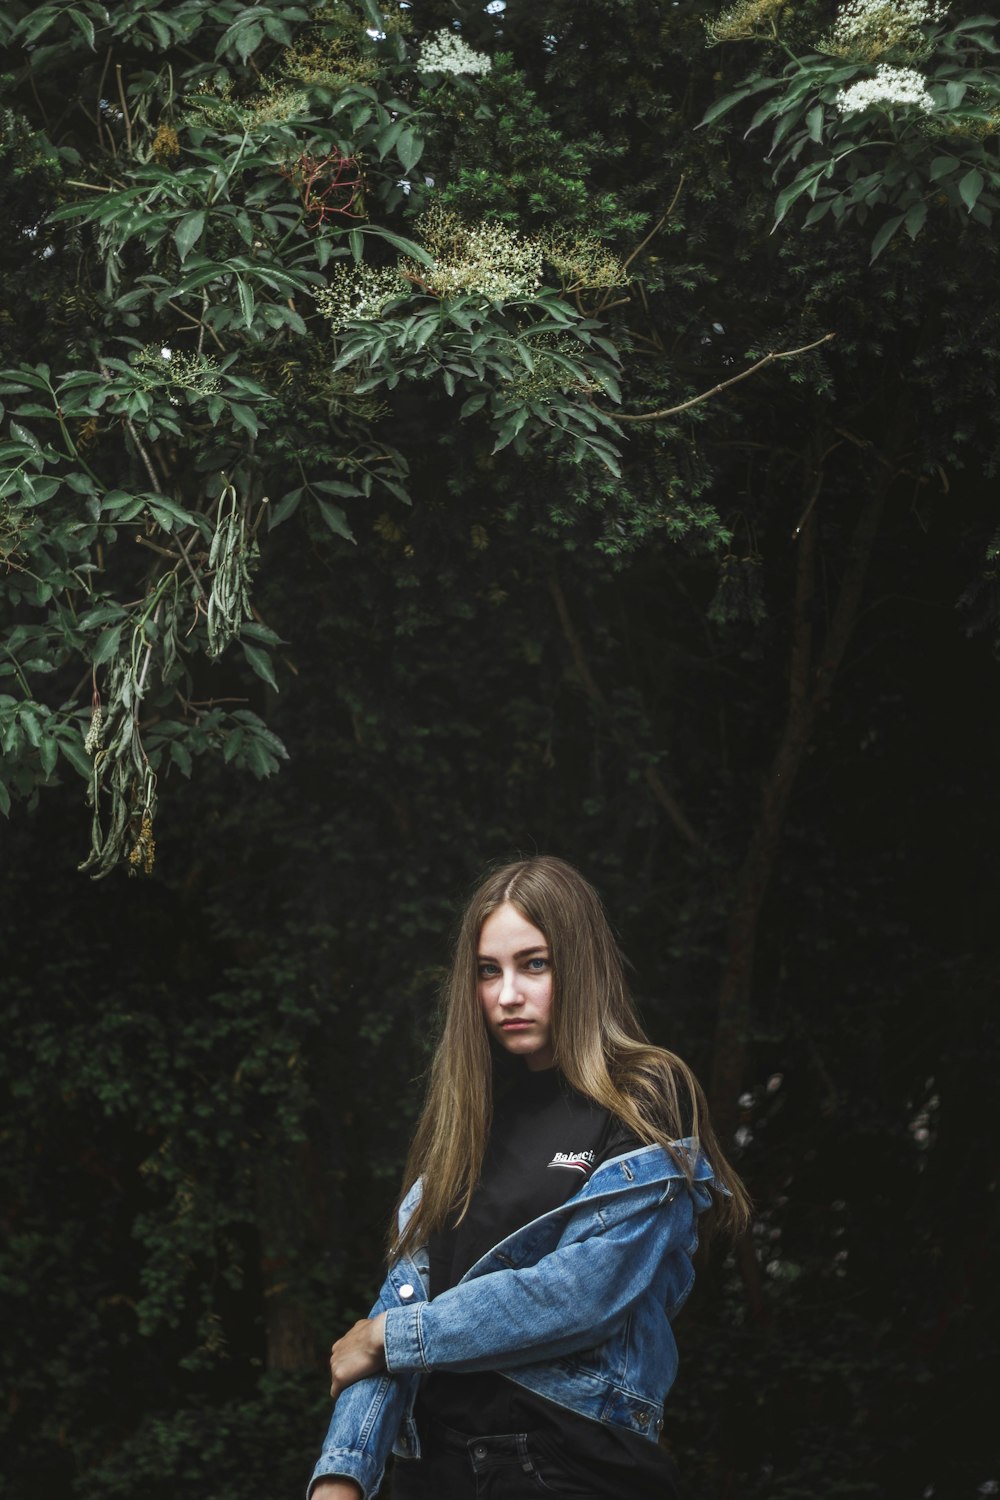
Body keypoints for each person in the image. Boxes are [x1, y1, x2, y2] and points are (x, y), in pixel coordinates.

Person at [308, 856, 749, 1500]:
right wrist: (341, 1476)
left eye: (534, 964)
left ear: (580, 965)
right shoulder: (471, 1115)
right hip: (432, 1468)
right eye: (489, 971)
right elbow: (400, 1299)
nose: (507, 994)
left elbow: (581, 1294)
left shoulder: (643, 1092)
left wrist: (395, 1339)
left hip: (568, 1463)